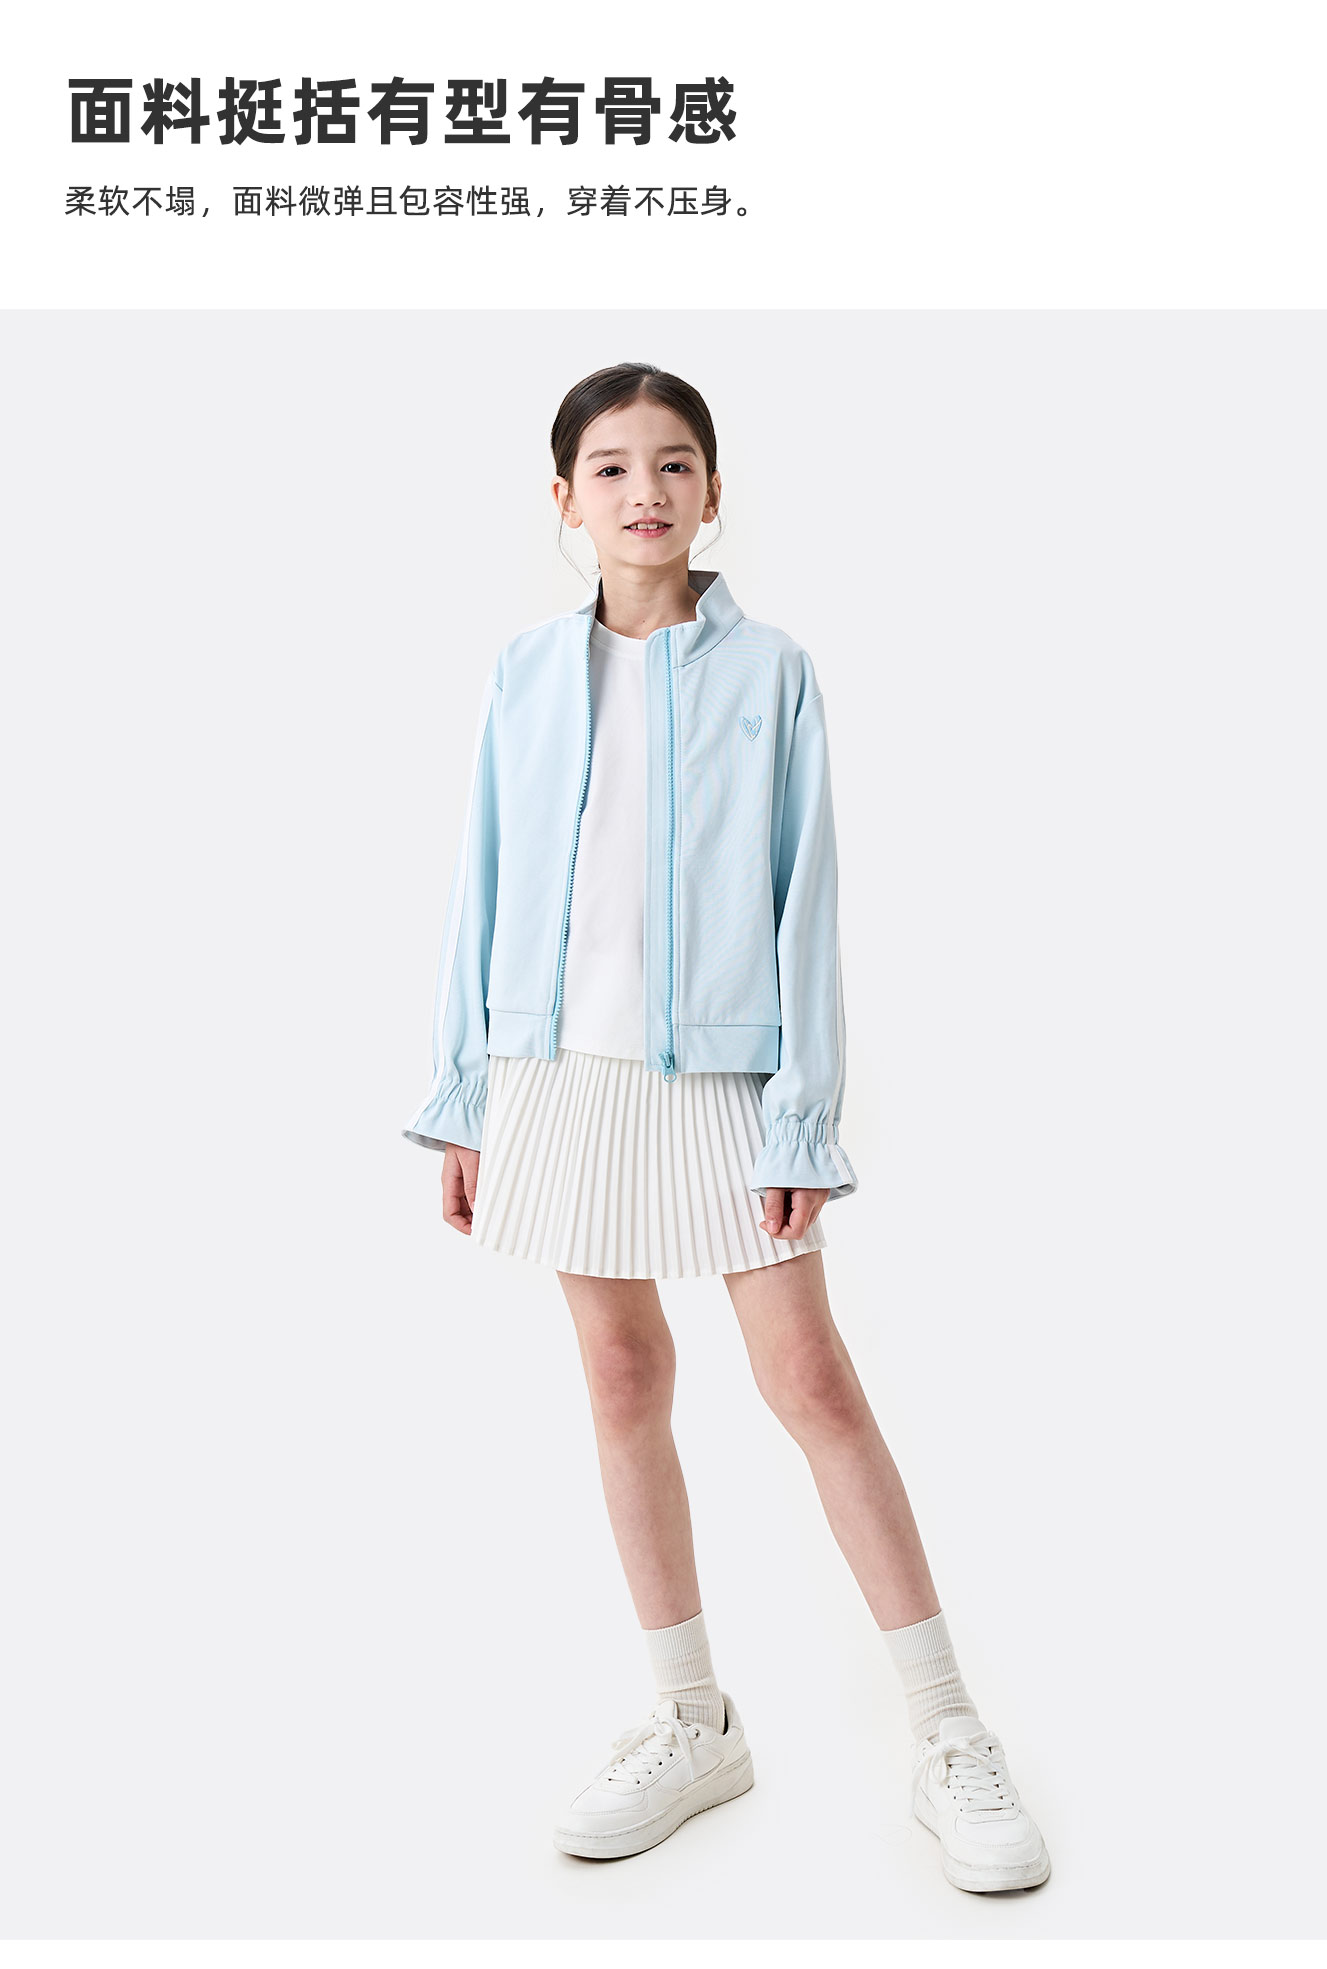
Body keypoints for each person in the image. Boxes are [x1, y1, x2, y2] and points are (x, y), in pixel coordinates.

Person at [403, 362, 1049, 1894]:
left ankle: (948, 1727)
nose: (646, 490)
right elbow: (477, 881)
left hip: (726, 1081)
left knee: (809, 1377)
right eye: (612, 466)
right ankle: (691, 1716)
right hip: (553, 1073)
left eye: (675, 462)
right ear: (564, 498)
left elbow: (805, 897)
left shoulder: (773, 674)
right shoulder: (522, 672)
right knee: (622, 1375)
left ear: (711, 490)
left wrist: (802, 1118)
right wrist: (463, 1095)